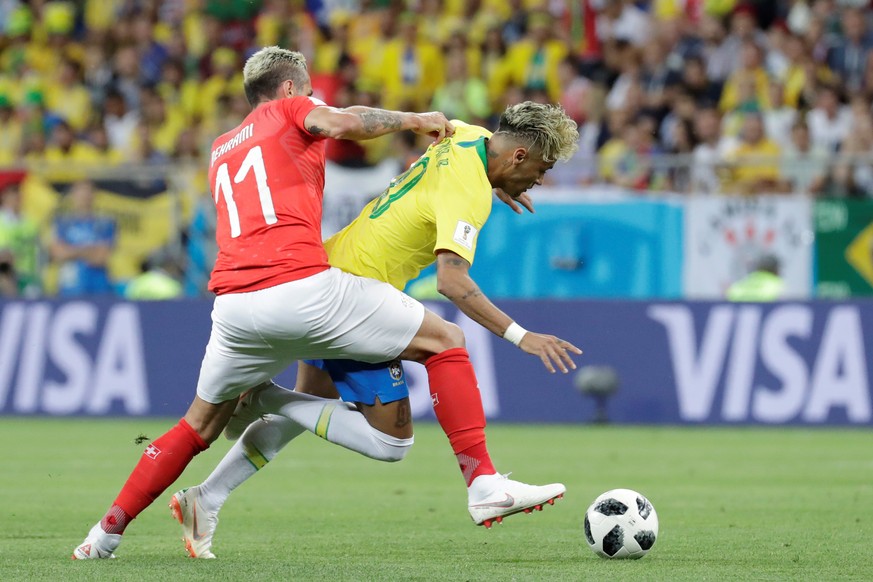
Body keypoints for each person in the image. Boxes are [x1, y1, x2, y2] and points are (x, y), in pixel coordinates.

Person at [72, 46, 578, 559]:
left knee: (205, 424)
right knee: (421, 386)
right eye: (309, 88)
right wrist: (412, 119)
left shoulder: (224, 146)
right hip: (316, 288)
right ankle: (484, 486)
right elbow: (349, 130)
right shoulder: (291, 109)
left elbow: (473, 155)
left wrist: (499, 178)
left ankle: (109, 534)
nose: (314, 97)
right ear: (291, 89)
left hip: (234, 303)